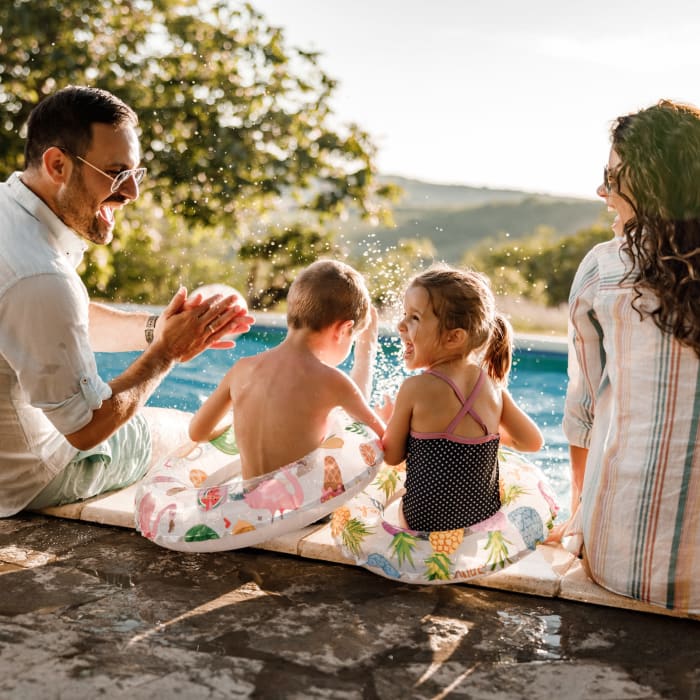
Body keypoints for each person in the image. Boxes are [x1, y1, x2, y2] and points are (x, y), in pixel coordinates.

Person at [0, 85, 254, 517]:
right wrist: (167, 352)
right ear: (57, 165)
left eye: (137, 173)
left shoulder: (12, 216)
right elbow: (85, 428)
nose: (132, 192)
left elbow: (58, 322)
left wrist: (156, 330)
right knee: (187, 432)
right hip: (28, 476)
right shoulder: (40, 275)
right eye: (117, 174)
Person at [560, 100, 700, 614]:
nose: (603, 192)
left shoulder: (604, 267)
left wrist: (578, 514)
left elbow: (584, 412)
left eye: (614, 177)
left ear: (653, 184)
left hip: (624, 562)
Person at [378, 264, 543, 531]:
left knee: (388, 491)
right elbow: (532, 442)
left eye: (415, 318)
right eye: (404, 314)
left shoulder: (414, 388)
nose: (400, 325)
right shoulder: (493, 388)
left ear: (454, 337)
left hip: (422, 522)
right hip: (479, 523)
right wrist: (486, 435)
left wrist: (391, 422)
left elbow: (392, 456)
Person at [189, 259, 386, 480]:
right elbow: (381, 439)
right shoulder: (332, 381)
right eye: (355, 339)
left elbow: (198, 432)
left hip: (246, 509)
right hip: (302, 513)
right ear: (343, 330)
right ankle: (366, 352)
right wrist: (387, 420)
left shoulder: (242, 369)